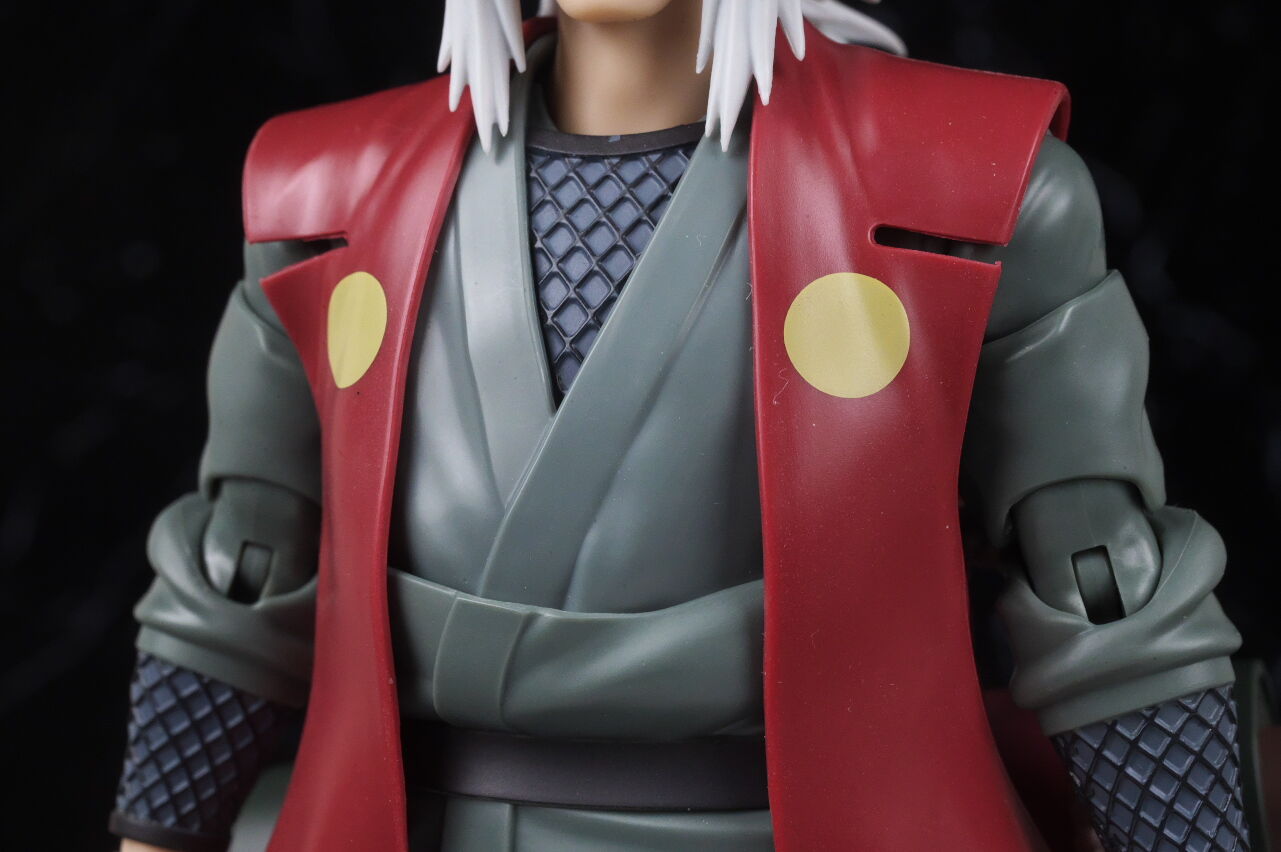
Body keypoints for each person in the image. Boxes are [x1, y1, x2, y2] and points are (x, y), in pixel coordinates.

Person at [109, 2, 1250, 850]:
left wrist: (1183, 824)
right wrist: (160, 827)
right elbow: (244, 568)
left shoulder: (974, 184)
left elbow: (1103, 586)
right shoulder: (326, 194)